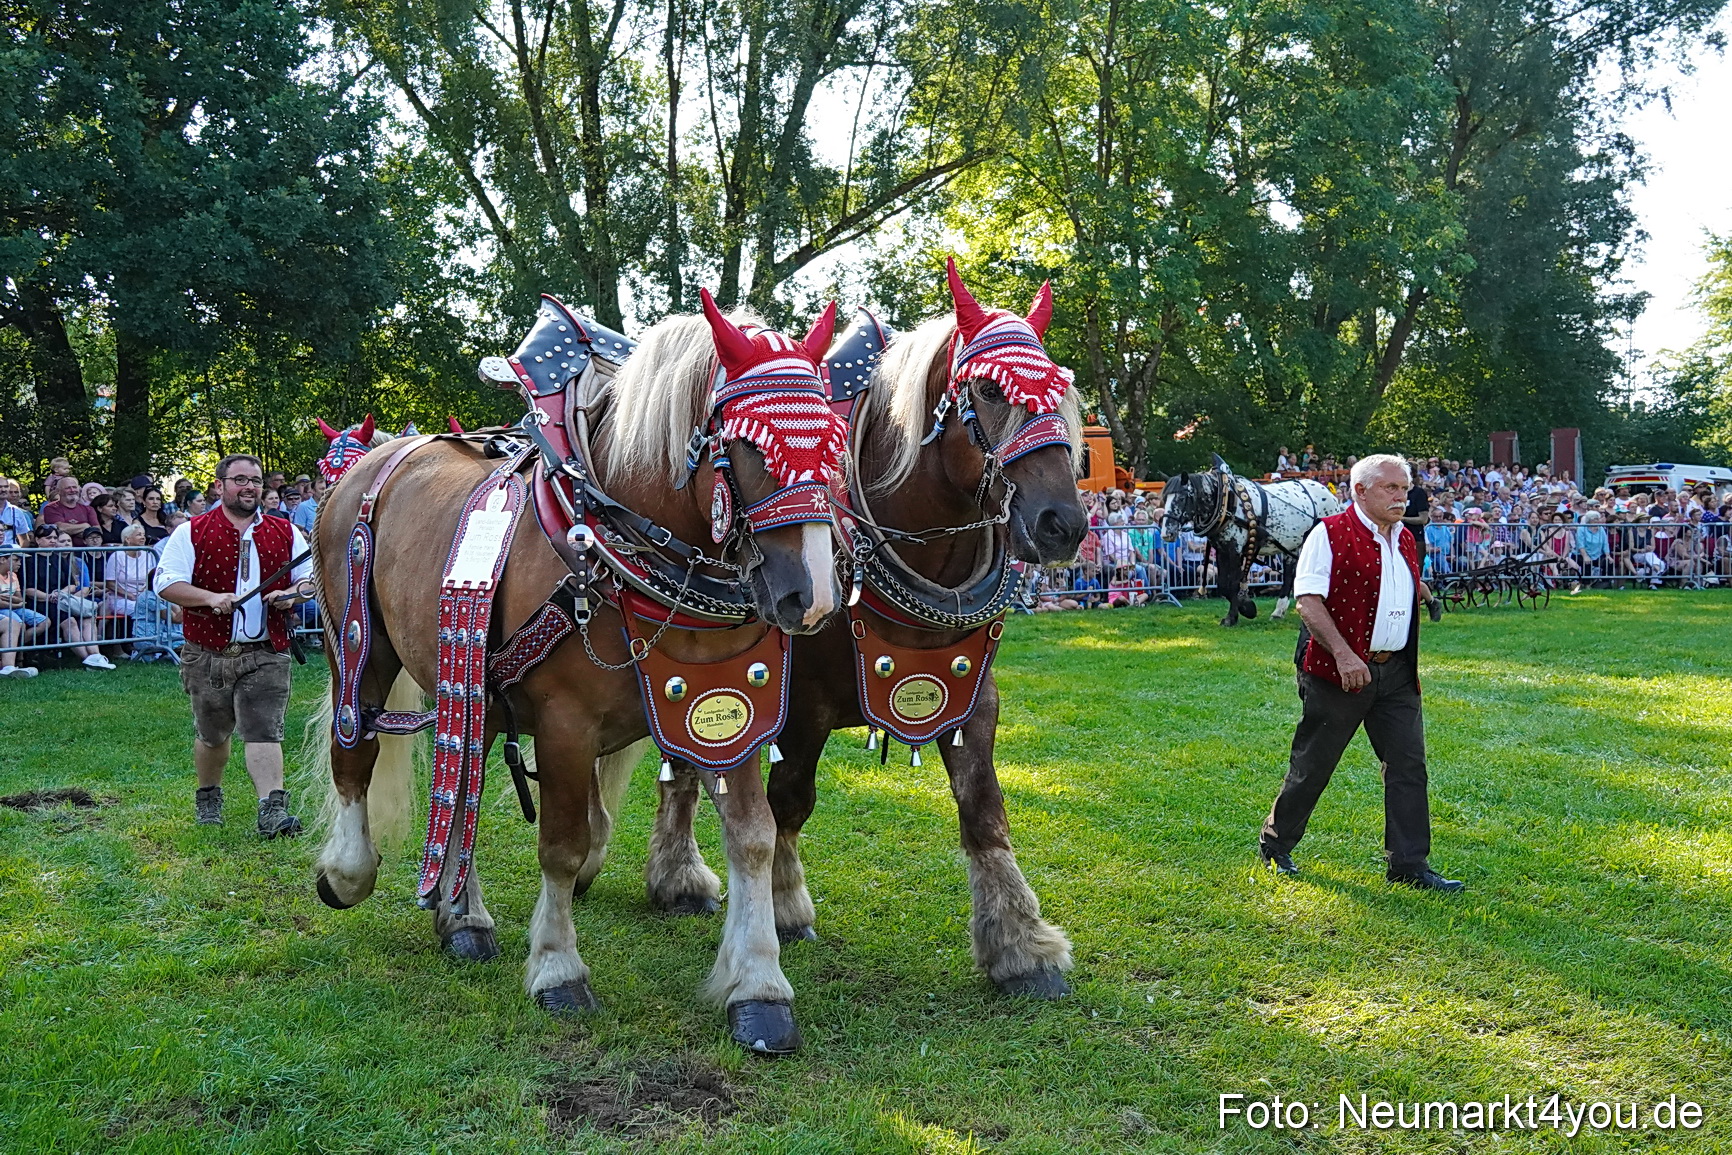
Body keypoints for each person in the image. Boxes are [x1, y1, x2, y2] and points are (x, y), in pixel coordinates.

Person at [1258, 454, 1463, 891]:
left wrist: (1417, 589)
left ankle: (1409, 865)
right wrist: (1346, 656)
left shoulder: (1405, 537)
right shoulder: (1329, 534)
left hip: (1397, 673)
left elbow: (1386, 579)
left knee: (1409, 766)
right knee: (1315, 763)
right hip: (1339, 672)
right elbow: (1308, 600)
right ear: (1360, 491)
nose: (1400, 495)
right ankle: (1276, 846)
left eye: (1404, 488)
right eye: (1390, 488)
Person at [155, 454, 313, 837]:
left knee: (264, 729)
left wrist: (291, 595)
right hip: (206, 651)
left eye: (256, 481)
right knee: (213, 733)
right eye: (240, 479)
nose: (250, 487)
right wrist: (209, 598)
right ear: (220, 484)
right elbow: (165, 583)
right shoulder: (191, 531)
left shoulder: (286, 532)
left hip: (266, 651)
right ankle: (208, 797)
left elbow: (310, 581)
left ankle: (272, 809)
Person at [22, 525, 113, 669]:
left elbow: (71, 584)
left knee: (87, 616)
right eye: (48, 538)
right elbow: (28, 590)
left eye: (54, 538)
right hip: (40, 602)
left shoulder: (59, 559)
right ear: (38, 540)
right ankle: (87, 659)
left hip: (62, 599)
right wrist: (49, 597)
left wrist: (61, 593)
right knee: (69, 621)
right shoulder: (29, 561)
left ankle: (96, 655)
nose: (52, 541)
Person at [0, 551, 45, 677]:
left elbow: (20, 598)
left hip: (14, 607)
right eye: (15, 560)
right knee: (18, 624)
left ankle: (13, 654)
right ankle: (14, 661)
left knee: (43, 621)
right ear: (2, 559)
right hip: (8, 609)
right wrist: (14, 603)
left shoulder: (13, 575)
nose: (20, 563)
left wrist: (8, 599)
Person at [0, 477, 34, 546]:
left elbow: (24, 539)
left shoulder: (16, 511)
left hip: (11, 555)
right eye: (0, 487)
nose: (3, 490)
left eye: (6, 487)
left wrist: (19, 555)